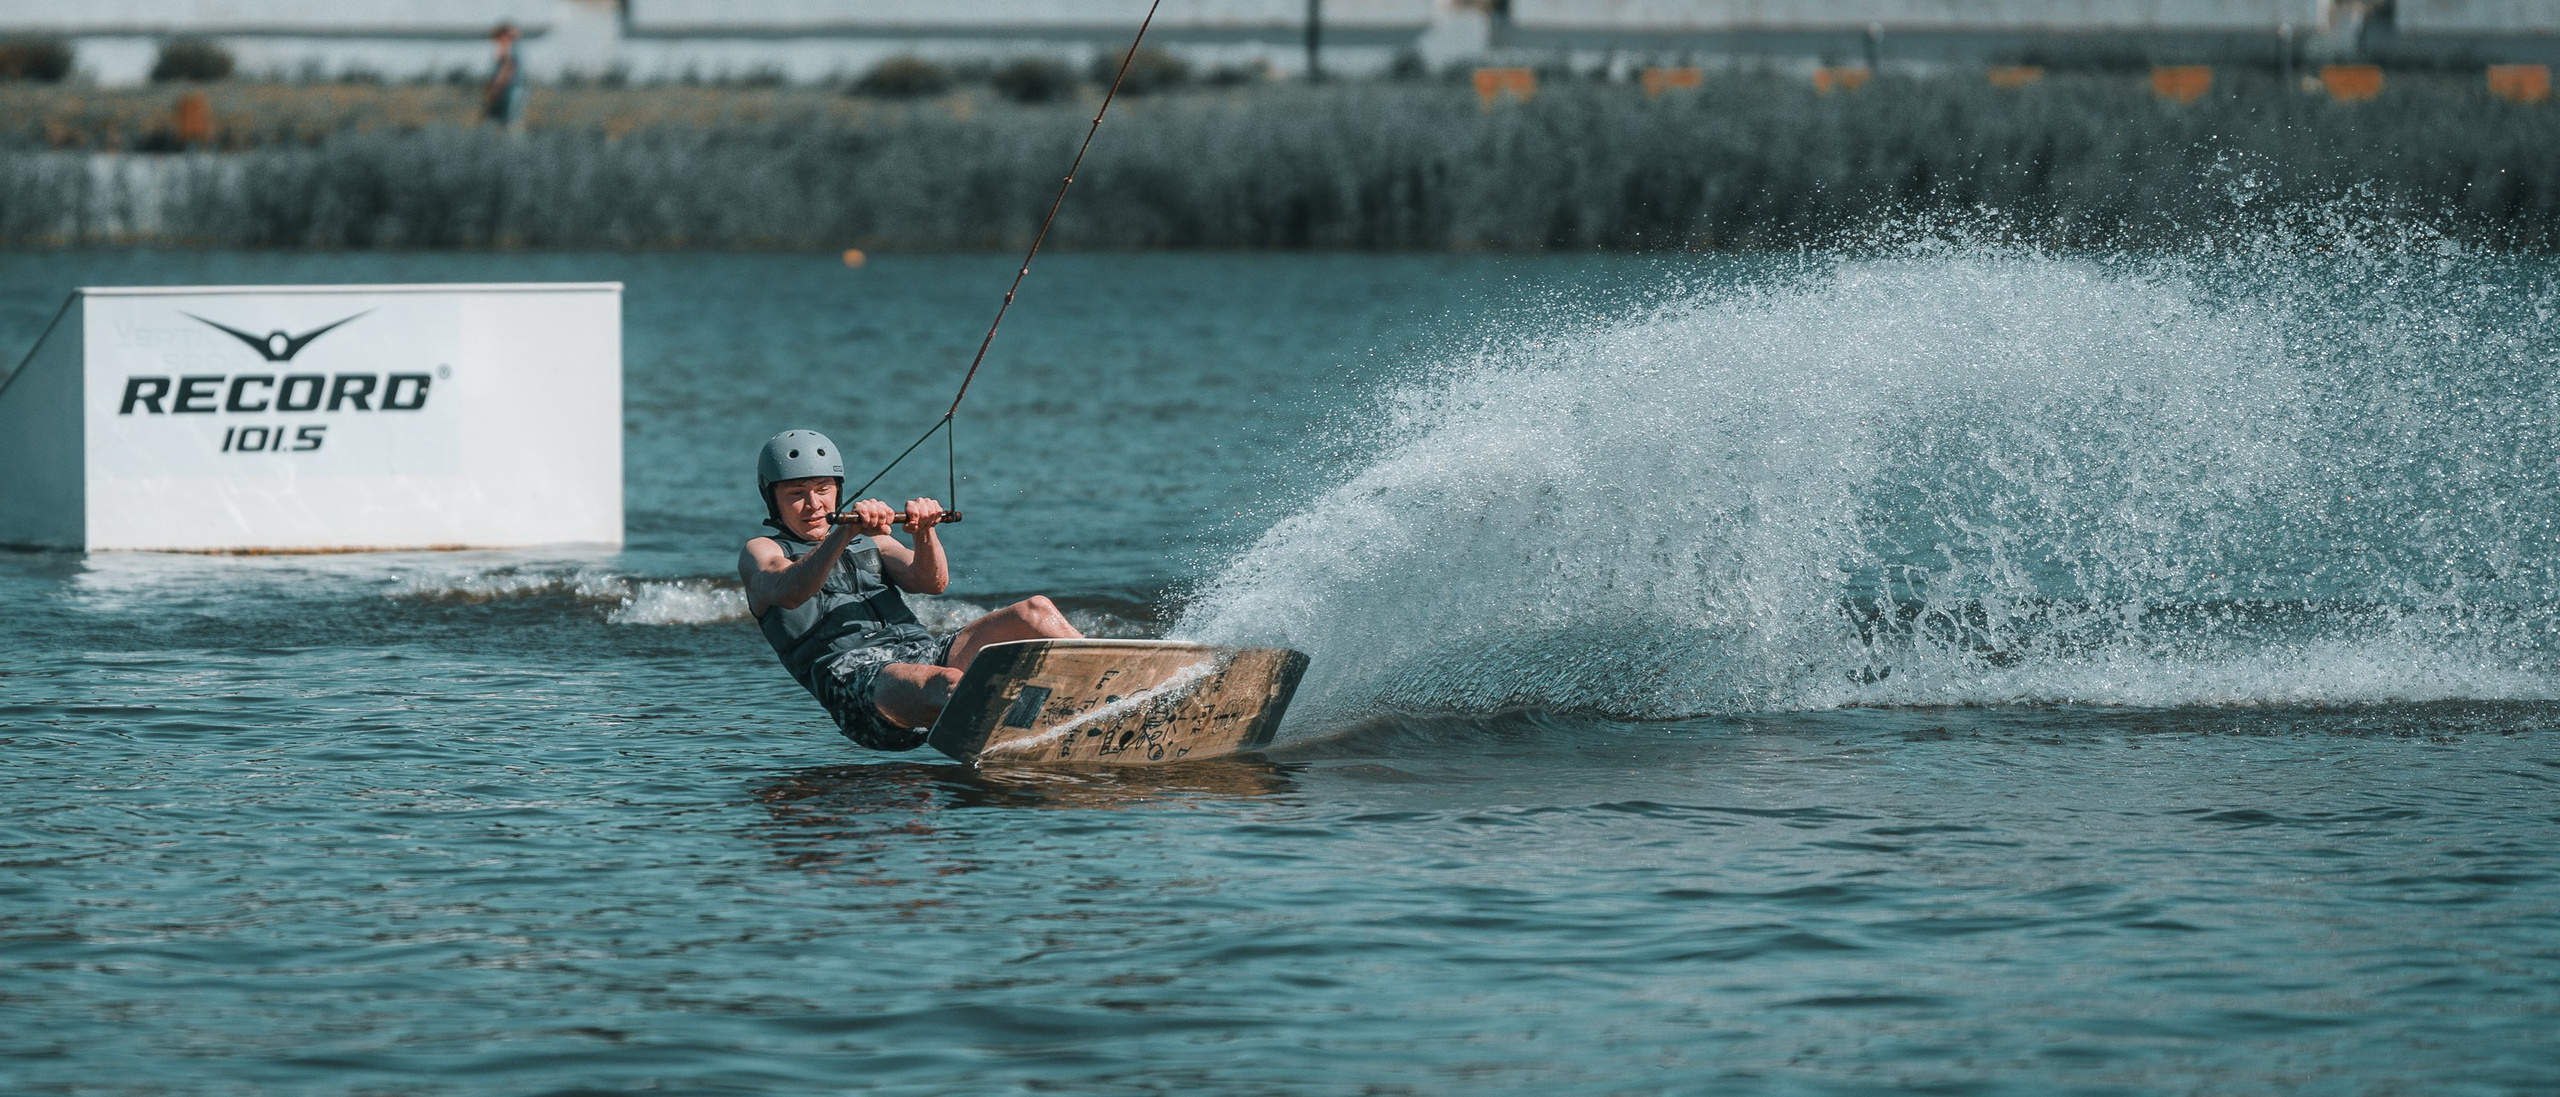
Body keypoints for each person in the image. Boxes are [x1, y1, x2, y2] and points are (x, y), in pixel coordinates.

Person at [739, 429, 1082, 750]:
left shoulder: (871, 540)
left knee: (1034, 611)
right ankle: (1040, 731)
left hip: (923, 653)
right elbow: (789, 591)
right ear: (773, 499)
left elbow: (931, 583)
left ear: (838, 490)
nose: (814, 504)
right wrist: (843, 534)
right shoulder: (762, 551)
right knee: (947, 683)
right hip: (858, 687)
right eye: (797, 494)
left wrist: (924, 531)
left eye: (823, 489)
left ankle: (1116, 694)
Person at [483, 23, 525, 131]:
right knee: (508, 122)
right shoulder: (512, 49)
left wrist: (495, 89)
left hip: (507, 90)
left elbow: (506, 71)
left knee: (508, 122)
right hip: (510, 90)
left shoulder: (508, 49)